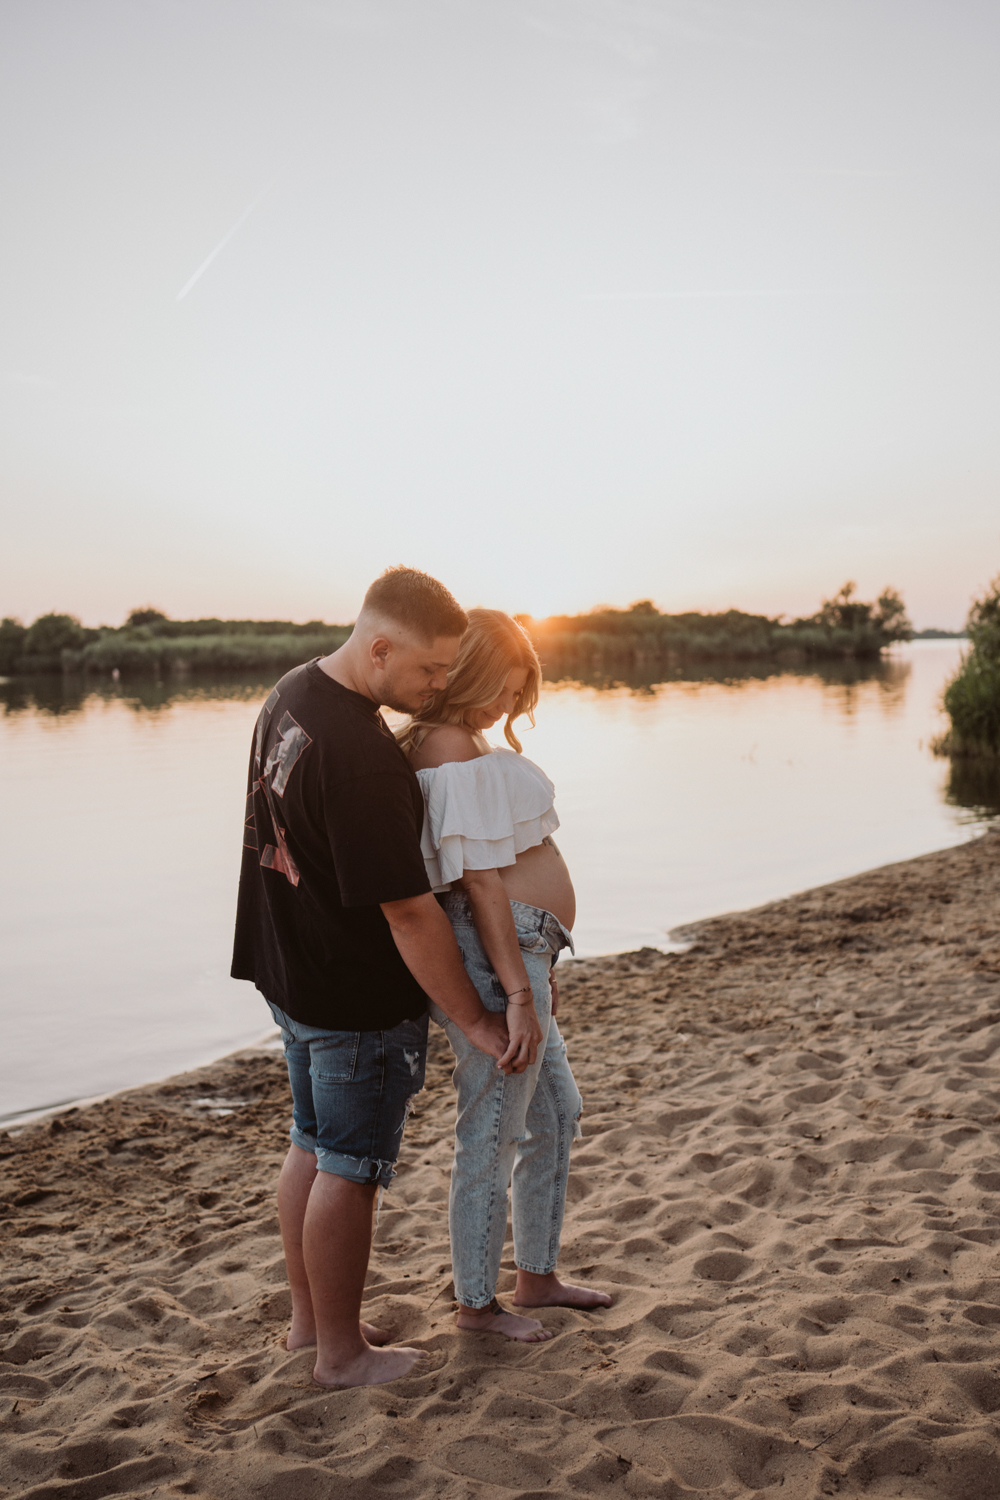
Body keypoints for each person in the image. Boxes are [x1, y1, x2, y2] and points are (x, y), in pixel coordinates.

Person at [231, 569, 516, 1389]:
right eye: (429, 670)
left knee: (311, 1144)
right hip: (351, 994)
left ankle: (310, 1324)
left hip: (288, 970)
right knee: (350, 1167)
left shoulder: (292, 691)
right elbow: (411, 914)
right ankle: (341, 1356)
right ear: (380, 645)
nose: (438, 687)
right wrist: (475, 1019)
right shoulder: (362, 757)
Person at [398, 608, 612, 1342]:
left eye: (517, 696)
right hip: (500, 956)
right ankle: (477, 1307)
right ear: (468, 671)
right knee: (491, 1132)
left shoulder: (463, 739)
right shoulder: (450, 743)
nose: (505, 707)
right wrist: (516, 989)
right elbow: (481, 884)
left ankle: (538, 1275)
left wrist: (538, 964)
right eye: (499, 689)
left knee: (555, 1115)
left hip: (527, 949)